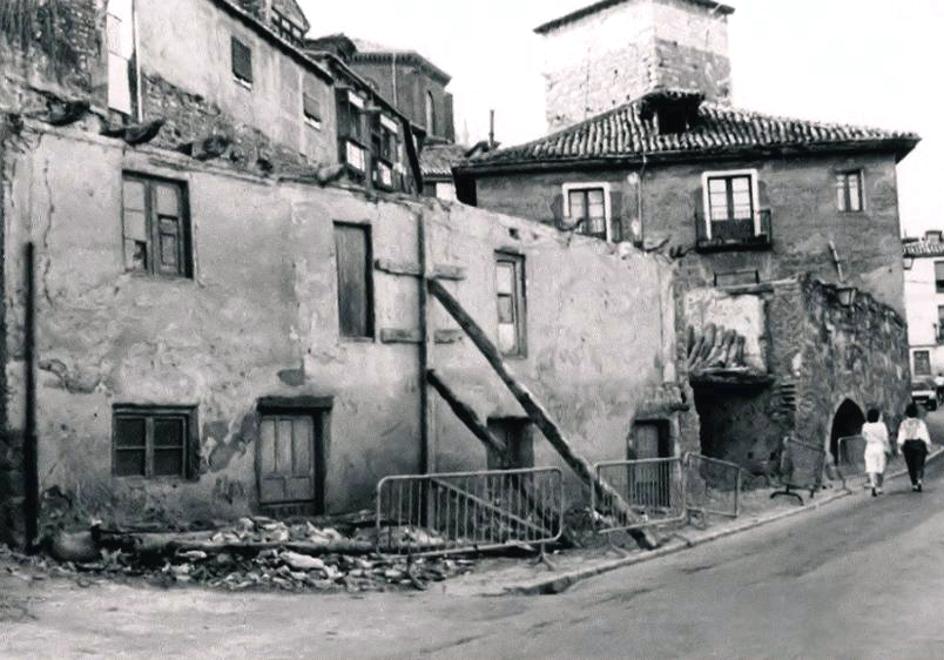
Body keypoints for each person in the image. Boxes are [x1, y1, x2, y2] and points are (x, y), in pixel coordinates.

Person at [898, 403, 934, 492]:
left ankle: (914, 484)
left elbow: (901, 436)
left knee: (911, 465)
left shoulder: (903, 424)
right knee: (919, 464)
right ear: (916, 413)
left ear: (906, 413)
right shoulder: (920, 423)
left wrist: (899, 447)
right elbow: (925, 435)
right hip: (919, 445)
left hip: (908, 446)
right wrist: (928, 445)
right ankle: (919, 480)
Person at [861, 408, 891, 497]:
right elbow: (885, 438)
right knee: (880, 468)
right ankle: (879, 487)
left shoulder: (865, 425)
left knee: (871, 467)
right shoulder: (882, 425)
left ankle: (873, 485)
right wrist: (888, 447)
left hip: (870, 447)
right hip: (880, 446)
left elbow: (863, 435)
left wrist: (869, 439)